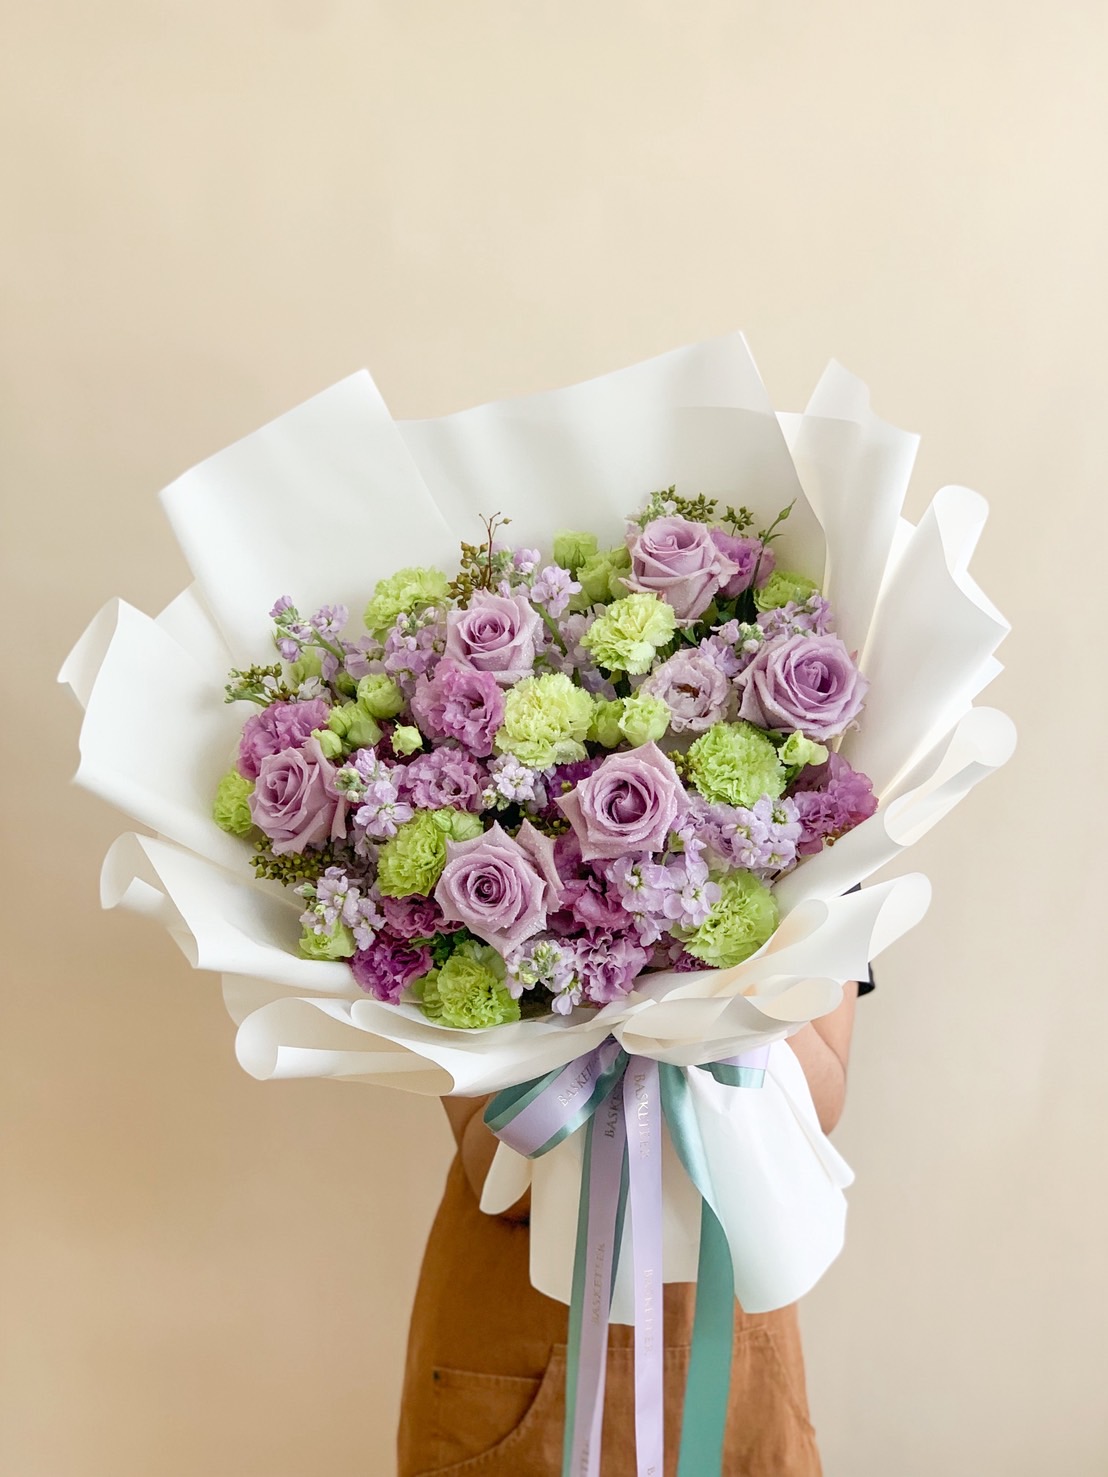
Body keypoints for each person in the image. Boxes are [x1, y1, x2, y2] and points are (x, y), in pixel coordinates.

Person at [397, 977, 870, 1477]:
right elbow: (497, 1170)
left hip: (729, 1315)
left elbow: (820, 1108)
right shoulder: (459, 901)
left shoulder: (827, 901)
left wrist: (739, 976)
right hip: (520, 1303)